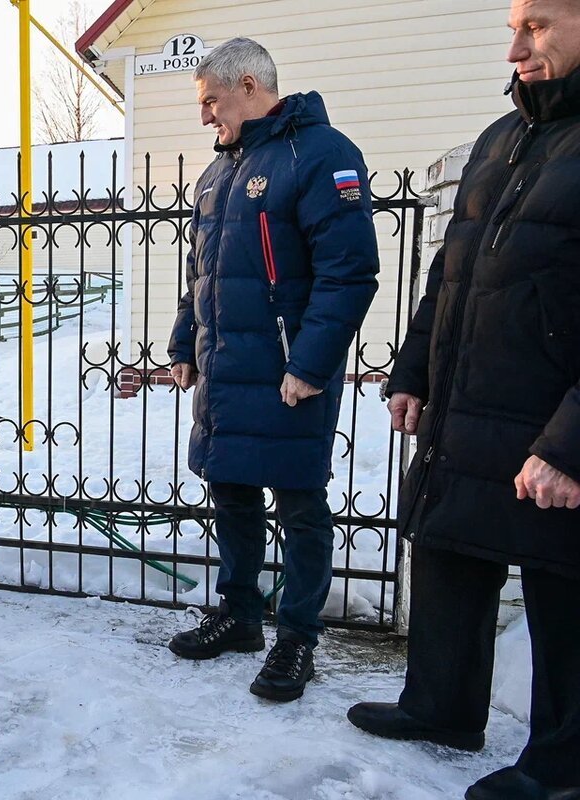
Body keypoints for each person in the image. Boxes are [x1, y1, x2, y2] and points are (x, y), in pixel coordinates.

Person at [347, 1, 580, 797]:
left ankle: (563, 768)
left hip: (556, 420)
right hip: (472, 400)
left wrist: (570, 444)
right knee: (447, 545)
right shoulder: (502, 139)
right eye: (513, 26)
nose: (515, 46)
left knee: (564, 591)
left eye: (539, 26)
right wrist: (412, 369)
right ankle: (442, 705)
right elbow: (451, 270)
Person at [165, 38, 380, 702]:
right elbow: (201, 274)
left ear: (250, 85)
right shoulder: (218, 175)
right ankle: (238, 615)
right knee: (230, 491)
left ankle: (297, 637)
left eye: (211, 100)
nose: (204, 117)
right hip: (228, 369)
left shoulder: (321, 156)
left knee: (299, 506)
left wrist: (312, 365)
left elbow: (348, 275)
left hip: (289, 372)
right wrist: (183, 344)